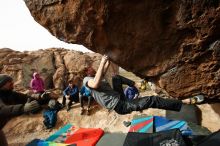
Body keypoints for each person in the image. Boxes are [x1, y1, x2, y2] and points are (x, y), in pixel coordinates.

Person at [82, 55, 204, 115]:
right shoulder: (87, 79)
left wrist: (108, 58)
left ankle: (139, 85)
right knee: (152, 100)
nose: (93, 69)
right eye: (90, 68)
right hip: (120, 106)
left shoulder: (93, 76)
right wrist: (102, 61)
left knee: (115, 78)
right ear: (86, 72)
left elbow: (103, 72)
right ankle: (185, 102)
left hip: (119, 97)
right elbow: (96, 83)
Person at [0, 74, 41, 145]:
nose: (13, 85)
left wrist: (39, 97)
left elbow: (25, 97)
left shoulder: (9, 93)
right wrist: (23, 108)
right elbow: (3, 109)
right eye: (10, 84)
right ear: (2, 85)